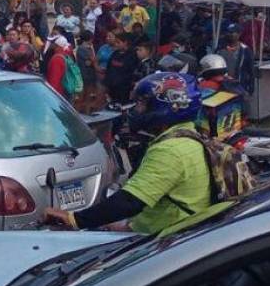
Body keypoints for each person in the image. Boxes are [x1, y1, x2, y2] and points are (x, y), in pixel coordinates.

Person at [45, 73, 211, 234]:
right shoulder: (189, 137)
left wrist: (74, 219)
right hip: (178, 231)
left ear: (167, 107)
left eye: (142, 104)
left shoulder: (170, 150)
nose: (137, 110)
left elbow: (130, 201)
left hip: (165, 237)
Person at [103, 32, 140, 104]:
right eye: (116, 42)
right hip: (112, 89)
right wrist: (106, 84)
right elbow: (108, 69)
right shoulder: (114, 54)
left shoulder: (132, 55)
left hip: (124, 90)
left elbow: (132, 72)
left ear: (125, 42)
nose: (116, 44)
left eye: (118, 42)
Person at [218, 26, 255, 93]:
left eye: (232, 32)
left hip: (240, 86)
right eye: (228, 32)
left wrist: (251, 88)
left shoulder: (245, 50)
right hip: (224, 87)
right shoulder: (220, 49)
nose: (230, 34)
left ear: (239, 34)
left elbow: (251, 71)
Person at [75, 32, 100, 112]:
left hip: (89, 74)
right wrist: (92, 60)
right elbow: (93, 60)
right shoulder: (82, 49)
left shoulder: (87, 48)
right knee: (82, 96)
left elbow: (91, 61)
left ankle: (86, 111)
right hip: (84, 74)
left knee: (87, 96)